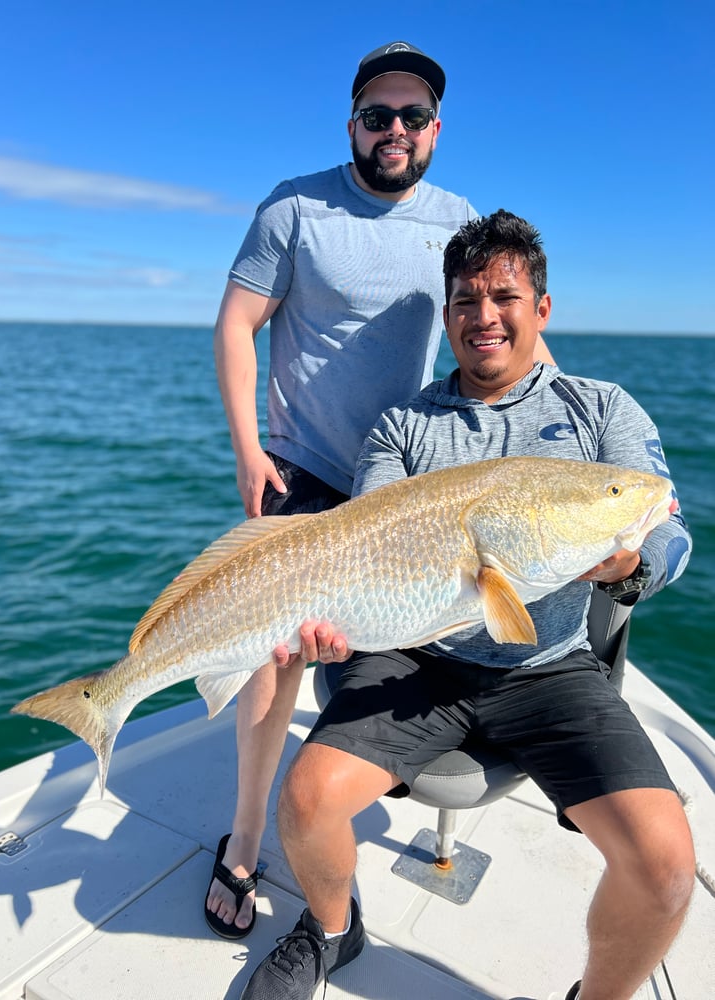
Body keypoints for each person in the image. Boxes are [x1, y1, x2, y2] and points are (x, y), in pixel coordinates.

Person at [238, 210, 694, 1000]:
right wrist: (329, 627)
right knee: (305, 803)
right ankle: (335, 930)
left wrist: (630, 566)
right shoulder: (405, 424)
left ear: (540, 308)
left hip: (551, 669)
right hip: (422, 656)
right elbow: (366, 542)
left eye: (504, 297)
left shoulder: (601, 411)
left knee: (665, 866)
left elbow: (667, 525)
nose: (484, 316)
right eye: (465, 301)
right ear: (447, 315)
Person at [207, 42, 555, 937]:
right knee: (270, 656)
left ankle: (335, 801)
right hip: (304, 468)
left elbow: (504, 331)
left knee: (380, 647)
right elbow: (239, 323)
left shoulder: (457, 217)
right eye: (377, 115)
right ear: (353, 124)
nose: (393, 130)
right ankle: (246, 839)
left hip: (409, 483)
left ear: (434, 130)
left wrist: (568, 427)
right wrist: (249, 449)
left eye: (411, 116)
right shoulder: (293, 206)